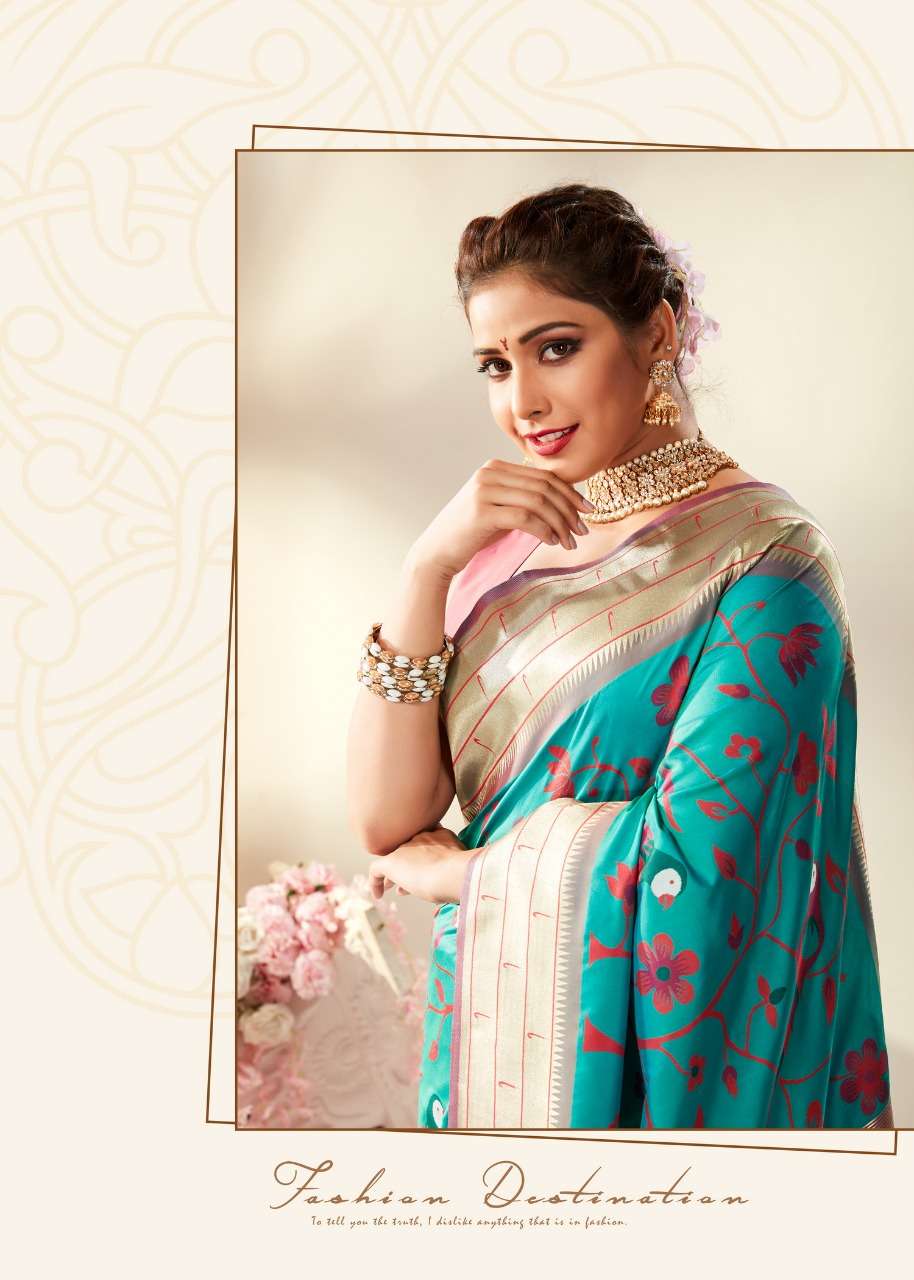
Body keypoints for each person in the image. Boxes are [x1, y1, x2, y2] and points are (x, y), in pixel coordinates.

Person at [345, 183, 893, 1131]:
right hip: (487, 1032)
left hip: (657, 1087)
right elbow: (389, 822)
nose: (522, 403)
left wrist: (471, 876)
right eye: (494, 365)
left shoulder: (766, 562)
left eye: (556, 348)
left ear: (660, 334)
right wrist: (425, 567)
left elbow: (712, 865)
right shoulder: (497, 554)